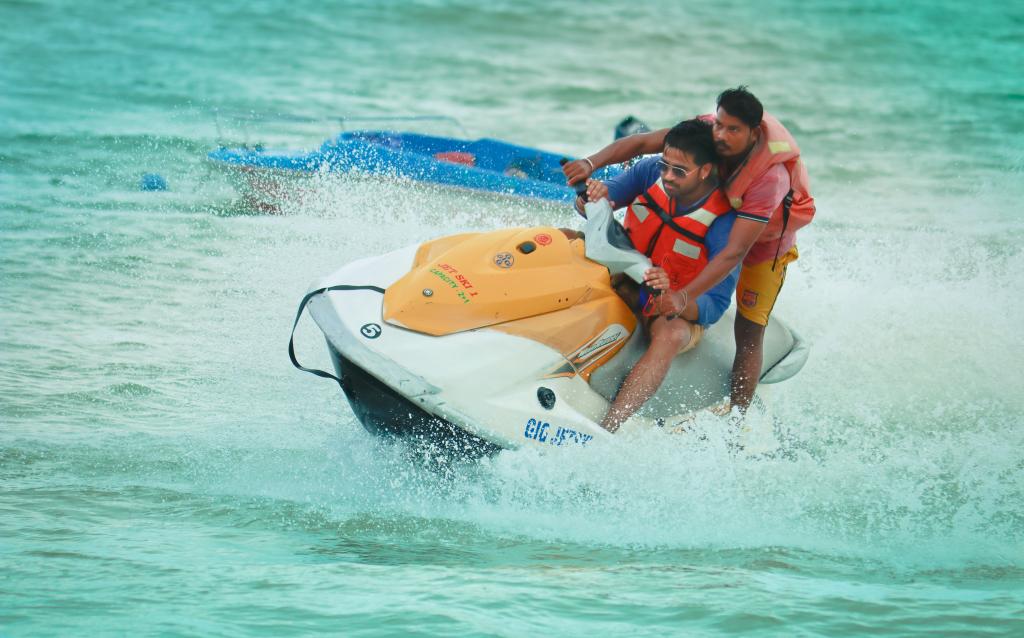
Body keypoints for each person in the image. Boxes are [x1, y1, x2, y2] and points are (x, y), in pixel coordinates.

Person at [564, 87, 814, 413]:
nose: (721, 134)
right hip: (687, 248)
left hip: (764, 244)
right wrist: (590, 167)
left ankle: (738, 419)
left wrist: (683, 299)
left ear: (753, 134)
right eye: (719, 124)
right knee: (566, 241)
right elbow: (642, 144)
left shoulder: (767, 179)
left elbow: (734, 252)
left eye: (732, 129)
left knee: (749, 329)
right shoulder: (684, 153)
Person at [579, 119, 740, 432]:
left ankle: (609, 426)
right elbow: (601, 200)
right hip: (624, 274)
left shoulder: (725, 221)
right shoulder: (651, 170)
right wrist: (590, 196)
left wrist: (676, 301)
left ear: (705, 170)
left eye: (679, 171)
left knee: (671, 336)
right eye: (665, 164)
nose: (666, 175)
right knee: (565, 242)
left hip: (669, 304)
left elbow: (715, 305)